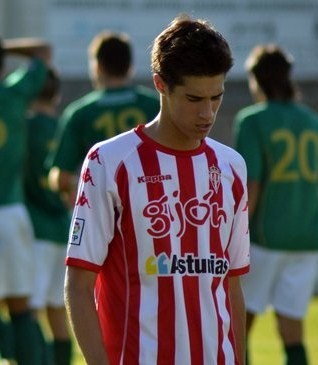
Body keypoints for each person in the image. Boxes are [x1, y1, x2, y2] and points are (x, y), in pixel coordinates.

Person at [64, 14, 250, 365]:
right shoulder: (109, 161)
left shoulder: (231, 167)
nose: (207, 113)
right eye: (194, 99)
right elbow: (78, 284)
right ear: (161, 85)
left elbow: (231, 285)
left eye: (217, 97)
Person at [233, 44, 318, 365]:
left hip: (267, 238)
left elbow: (251, 184)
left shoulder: (253, 120)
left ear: (257, 80)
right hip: (309, 238)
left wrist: (234, 236)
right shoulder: (312, 121)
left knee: (240, 323)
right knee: (292, 328)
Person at [48, 30, 160, 206]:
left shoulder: (80, 112)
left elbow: (61, 178)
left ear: (97, 66)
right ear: (130, 66)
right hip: (153, 206)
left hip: (103, 210)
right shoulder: (155, 105)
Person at [0, 37, 51, 364]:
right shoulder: (14, 93)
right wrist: (4, 46)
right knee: (21, 308)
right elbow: (43, 52)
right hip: (11, 212)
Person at [24, 68, 72, 365]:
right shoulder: (63, 127)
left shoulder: (23, 126)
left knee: (26, 311)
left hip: (34, 228)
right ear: (56, 95)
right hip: (62, 229)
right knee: (57, 310)